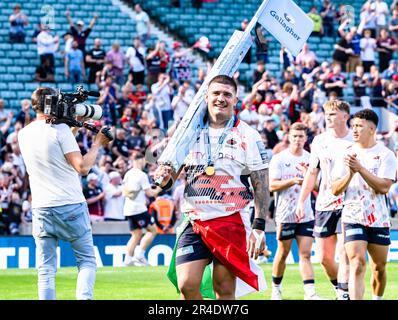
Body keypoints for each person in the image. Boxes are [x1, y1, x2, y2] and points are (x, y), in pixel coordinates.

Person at [154, 75, 269, 300]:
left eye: (227, 94)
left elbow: (261, 182)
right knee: (187, 285)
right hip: (195, 220)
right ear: (206, 96)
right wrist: (163, 176)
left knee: (224, 290)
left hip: (231, 220)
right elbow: (169, 180)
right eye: (216, 93)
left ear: (236, 99)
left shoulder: (248, 134)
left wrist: (259, 226)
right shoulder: (188, 132)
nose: (221, 99)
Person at [17, 87, 112, 300]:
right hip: (70, 204)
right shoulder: (59, 132)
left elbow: (54, 150)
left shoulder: (23, 134)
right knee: (86, 261)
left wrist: (73, 127)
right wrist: (97, 144)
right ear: (53, 103)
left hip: (41, 207)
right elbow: (82, 168)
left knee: (46, 270)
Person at [331, 109, 397, 300]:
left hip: (379, 218)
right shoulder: (346, 154)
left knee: (379, 268)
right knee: (357, 264)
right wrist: (350, 174)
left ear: (372, 128)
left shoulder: (386, 154)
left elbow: (384, 187)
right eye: (353, 126)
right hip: (353, 217)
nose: (354, 130)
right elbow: (335, 189)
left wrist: (360, 169)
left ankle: (378, 298)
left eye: (359, 126)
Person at [296, 100, 353, 300]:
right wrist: (301, 201)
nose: (328, 118)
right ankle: (341, 288)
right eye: (326, 114)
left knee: (345, 252)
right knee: (324, 259)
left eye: (333, 114)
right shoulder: (319, 141)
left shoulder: (355, 140)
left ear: (345, 116)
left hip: (350, 203)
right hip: (324, 204)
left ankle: (344, 295)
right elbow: (312, 173)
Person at [269, 123, 321, 300]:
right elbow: (272, 185)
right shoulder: (279, 159)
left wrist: (308, 178)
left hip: (306, 214)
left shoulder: (311, 159)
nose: (298, 140)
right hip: (285, 213)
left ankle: (310, 293)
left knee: (305, 254)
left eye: (301, 137)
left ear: (306, 139)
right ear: (288, 137)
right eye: (295, 136)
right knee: (283, 253)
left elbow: (317, 186)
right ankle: (276, 289)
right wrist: (294, 181)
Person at [122, 153, 162, 266]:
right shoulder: (141, 175)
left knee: (136, 234)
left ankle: (128, 260)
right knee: (153, 230)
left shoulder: (128, 173)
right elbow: (149, 193)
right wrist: (159, 189)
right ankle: (139, 254)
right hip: (138, 209)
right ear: (140, 160)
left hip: (128, 209)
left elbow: (125, 191)